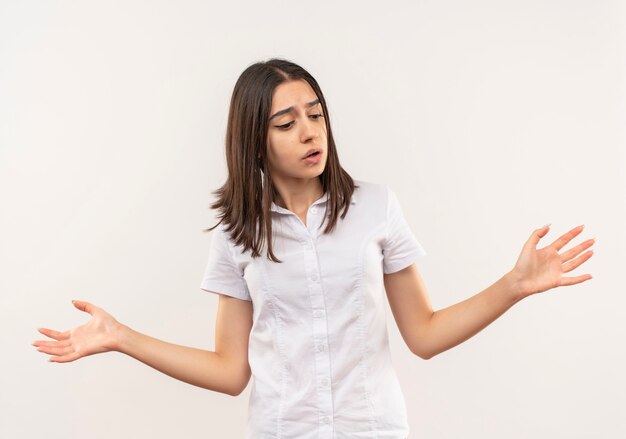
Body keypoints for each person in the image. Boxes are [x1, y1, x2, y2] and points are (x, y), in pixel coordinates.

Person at [33, 58, 595, 439]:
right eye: (286, 121)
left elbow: (423, 334)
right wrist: (122, 337)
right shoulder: (237, 233)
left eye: (316, 114)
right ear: (255, 137)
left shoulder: (376, 207)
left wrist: (514, 285)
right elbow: (231, 371)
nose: (310, 132)